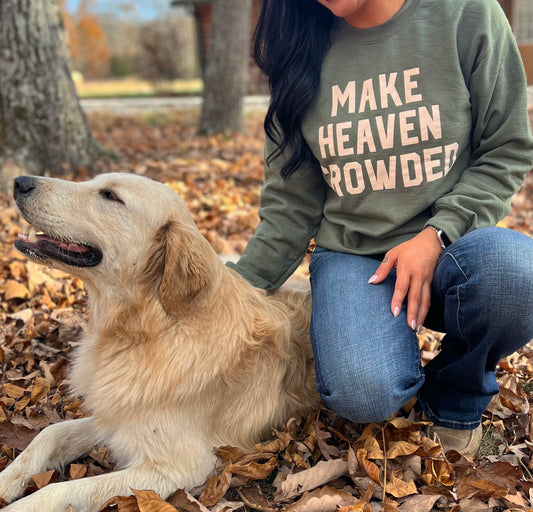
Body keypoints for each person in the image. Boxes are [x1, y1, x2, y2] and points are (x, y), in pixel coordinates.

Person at [227, 0, 533, 457]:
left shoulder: (465, 13)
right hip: (356, 257)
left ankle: (454, 395)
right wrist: (230, 292)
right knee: (363, 393)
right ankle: (384, 355)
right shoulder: (299, 42)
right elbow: (291, 203)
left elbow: (505, 150)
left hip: (453, 249)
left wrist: (436, 235)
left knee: (515, 275)